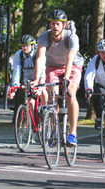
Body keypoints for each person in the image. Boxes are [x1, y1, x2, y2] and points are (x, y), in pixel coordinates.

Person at [32, 9, 84, 147]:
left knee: (70, 92)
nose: (55, 26)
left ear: (64, 25)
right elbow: (40, 57)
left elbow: (70, 58)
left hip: (73, 65)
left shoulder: (71, 37)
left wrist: (66, 78)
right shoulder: (44, 37)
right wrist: (37, 79)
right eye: (53, 23)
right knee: (51, 96)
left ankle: (73, 133)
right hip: (53, 66)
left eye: (58, 24)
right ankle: (54, 130)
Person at [9, 35, 48, 142]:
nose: (24, 48)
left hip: (40, 76)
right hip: (28, 79)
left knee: (42, 89)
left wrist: (39, 87)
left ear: (32, 46)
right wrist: (14, 87)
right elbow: (16, 71)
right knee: (30, 103)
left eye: (27, 46)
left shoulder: (38, 53)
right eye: (23, 46)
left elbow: (43, 70)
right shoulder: (18, 55)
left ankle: (45, 109)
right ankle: (32, 129)